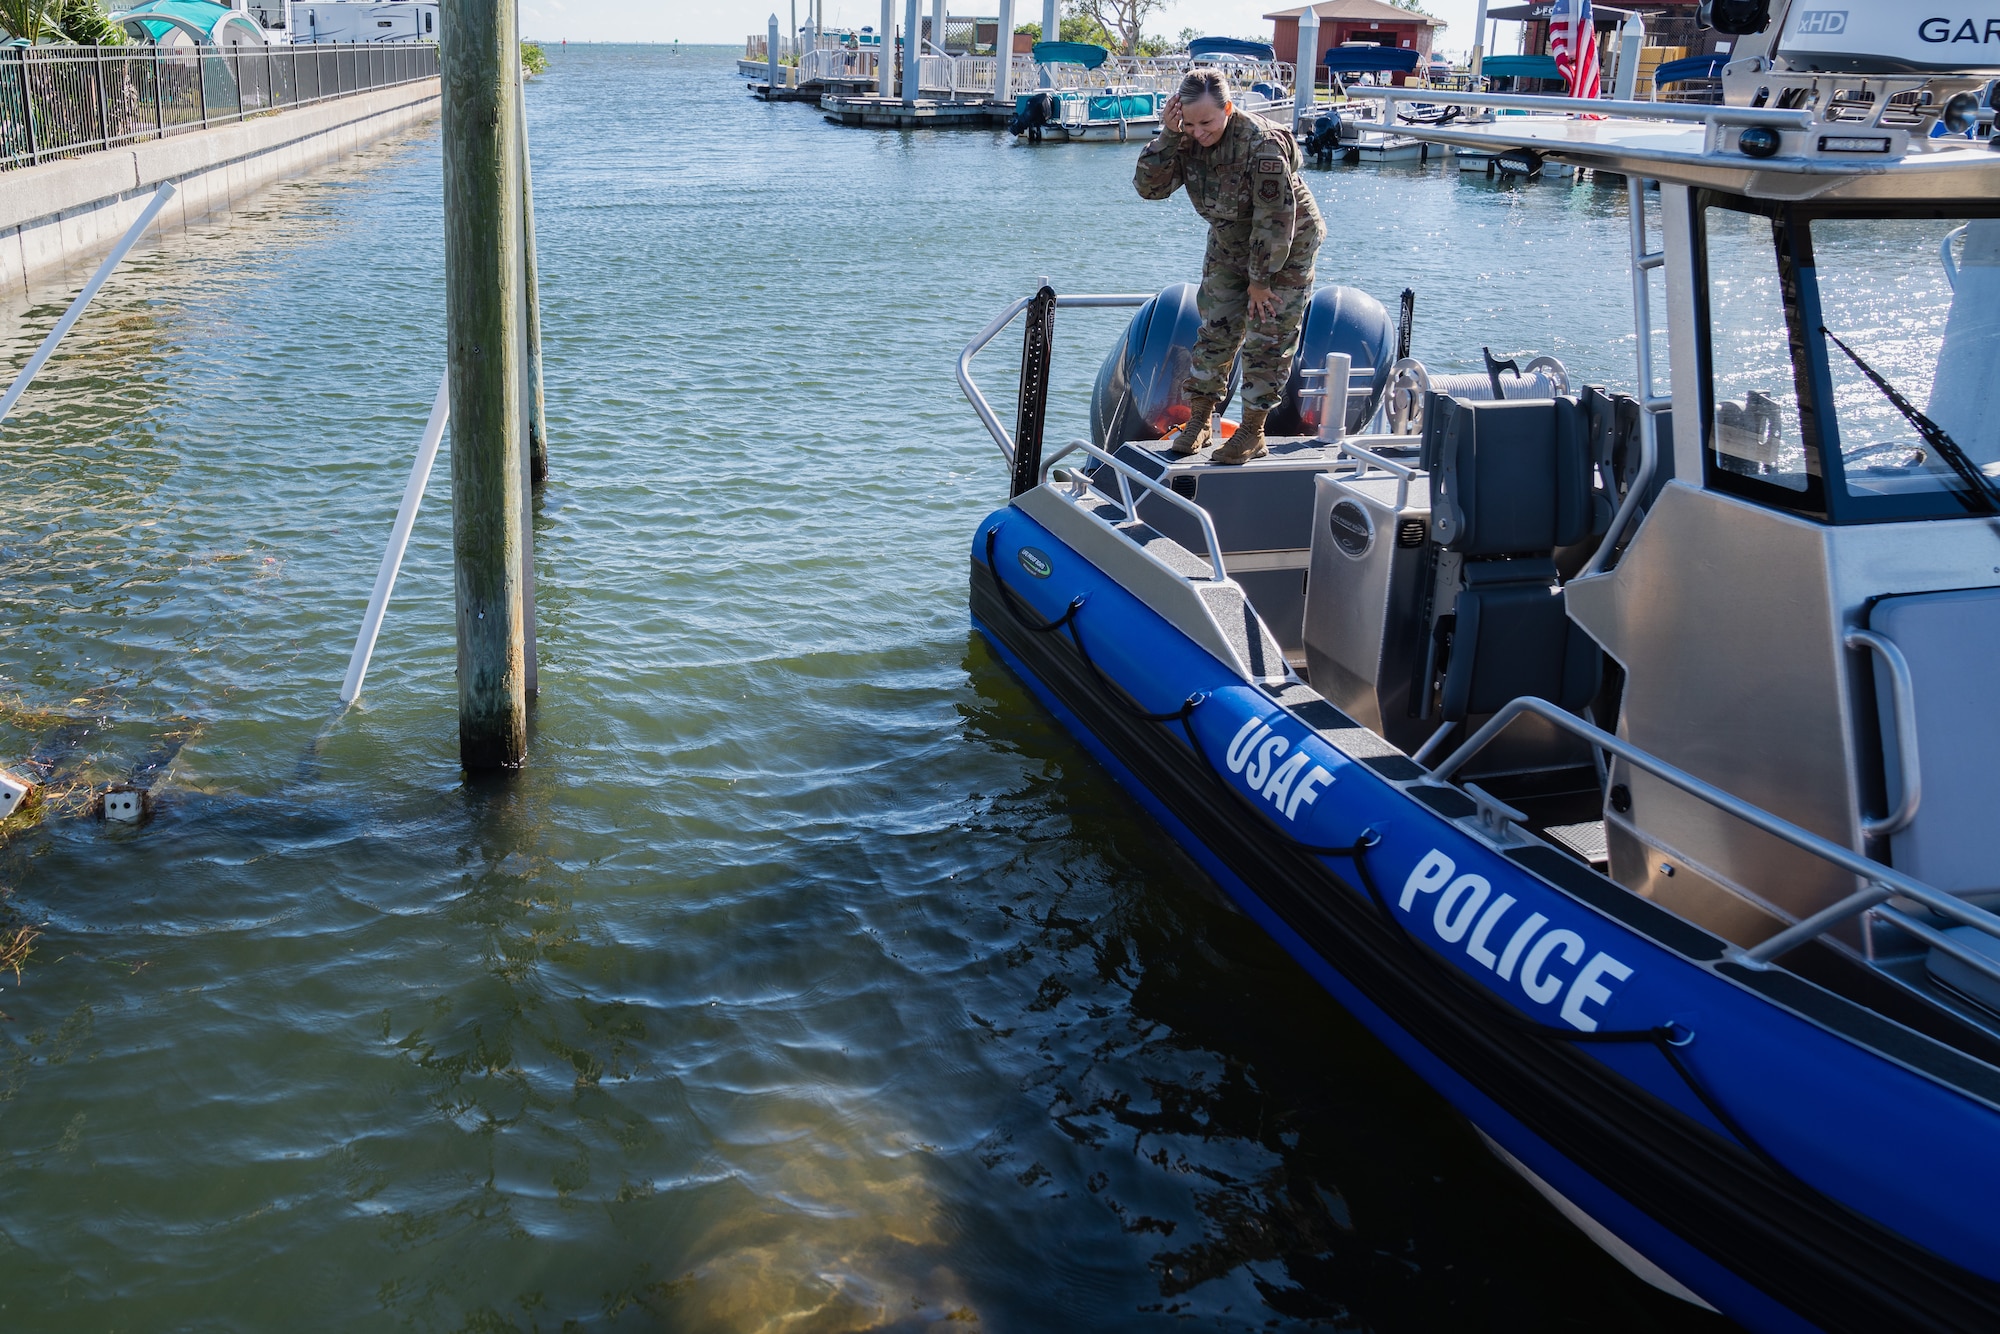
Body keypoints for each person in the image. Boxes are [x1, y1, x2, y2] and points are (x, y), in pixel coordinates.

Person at [1134, 70, 1326, 464]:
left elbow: (1274, 220)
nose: (1199, 131)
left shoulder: (1261, 145)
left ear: (1228, 109)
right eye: (1189, 122)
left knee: (1267, 333)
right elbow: (1148, 188)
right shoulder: (1183, 138)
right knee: (1216, 328)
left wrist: (1260, 282)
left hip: (1285, 246)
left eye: (1207, 122)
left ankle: (1253, 431)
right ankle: (1201, 419)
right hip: (1229, 238)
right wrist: (1170, 137)